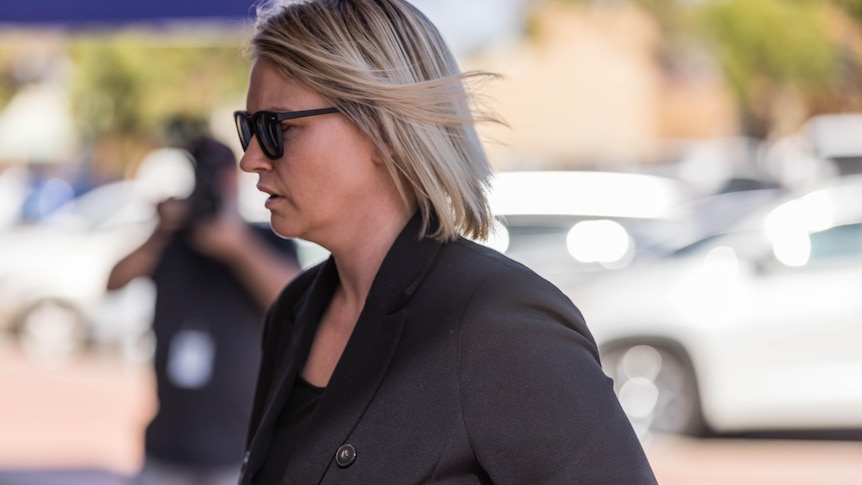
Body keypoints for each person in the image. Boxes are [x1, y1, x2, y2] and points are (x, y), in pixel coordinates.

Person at [234, 0, 658, 483]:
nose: (250, 159)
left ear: (381, 128)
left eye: (277, 128)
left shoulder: (499, 322)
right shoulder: (294, 311)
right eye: (248, 127)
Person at [107, 136, 301, 485]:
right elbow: (114, 280)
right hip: (167, 447)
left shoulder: (262, 239)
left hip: (237, 449)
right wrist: (161, 229)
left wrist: (236, 246)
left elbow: (294, 301)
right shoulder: (172, 239)